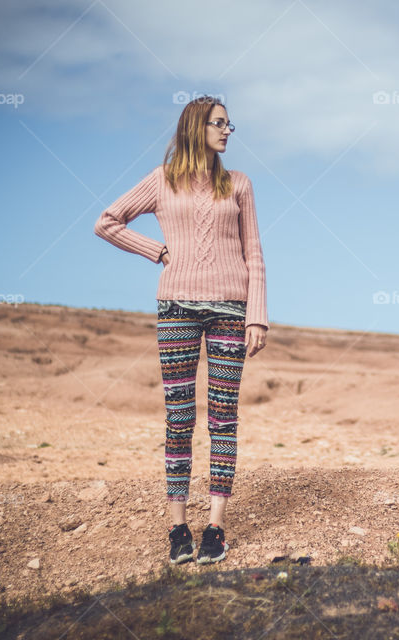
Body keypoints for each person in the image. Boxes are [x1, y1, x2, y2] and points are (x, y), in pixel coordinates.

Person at [93, 95, 268, 565]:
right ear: (197, 127)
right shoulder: (162, 181)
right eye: (220, 123)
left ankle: (215, 527)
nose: (228, 131)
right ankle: (177, 528)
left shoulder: (240, 184)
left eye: (231, 125)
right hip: (176, 309)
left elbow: (254, 252)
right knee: (179, 417)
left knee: (223, 416)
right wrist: (158, 252)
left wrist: (257, 315)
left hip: (231, 310)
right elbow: (107, 223)